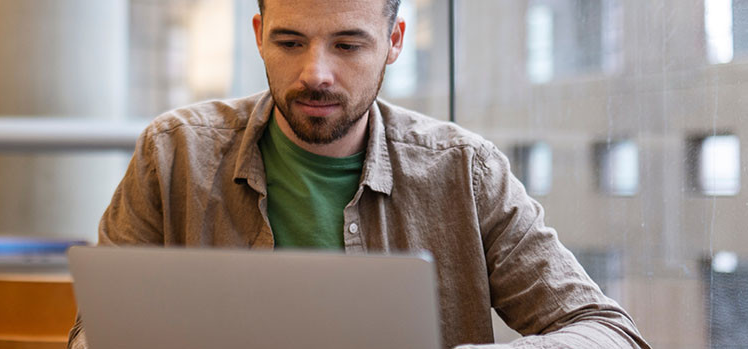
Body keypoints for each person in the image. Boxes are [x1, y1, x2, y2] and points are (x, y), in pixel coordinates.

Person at [68, 0, 650, 347]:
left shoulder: (464, 171)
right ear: (258, 36)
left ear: (394, 41)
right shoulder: (171, 154)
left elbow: (606, 331)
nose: (314, 73)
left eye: (348, 44)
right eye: (290, 42)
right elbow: (94, 331)